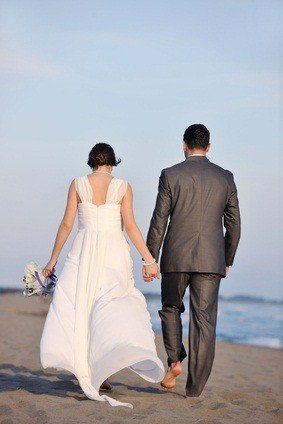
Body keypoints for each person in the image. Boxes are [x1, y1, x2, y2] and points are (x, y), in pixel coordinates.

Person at [40, 143, 165, 408]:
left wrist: (52, 260)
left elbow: (66, 224)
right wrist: (149, 259)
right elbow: (130, 226)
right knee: (107, 308)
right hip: (112, 253)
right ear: (113, 162)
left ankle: (89, 368)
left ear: (91, 161)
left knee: (80, 306)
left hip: (83, 251)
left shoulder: (77, 183)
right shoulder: (123, 186)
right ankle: (102, 372)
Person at [145, 124, 241, 397]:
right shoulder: (226, 178)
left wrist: (151, 257)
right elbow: (234, 225)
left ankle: (175, 360)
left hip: (175, 257)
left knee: (171, 308)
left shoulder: (170, 175)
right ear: (208, 147)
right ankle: (195, 388)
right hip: (211, 261)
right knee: (205, 322)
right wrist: (227, 257)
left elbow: (158, 221)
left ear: (184, 145)